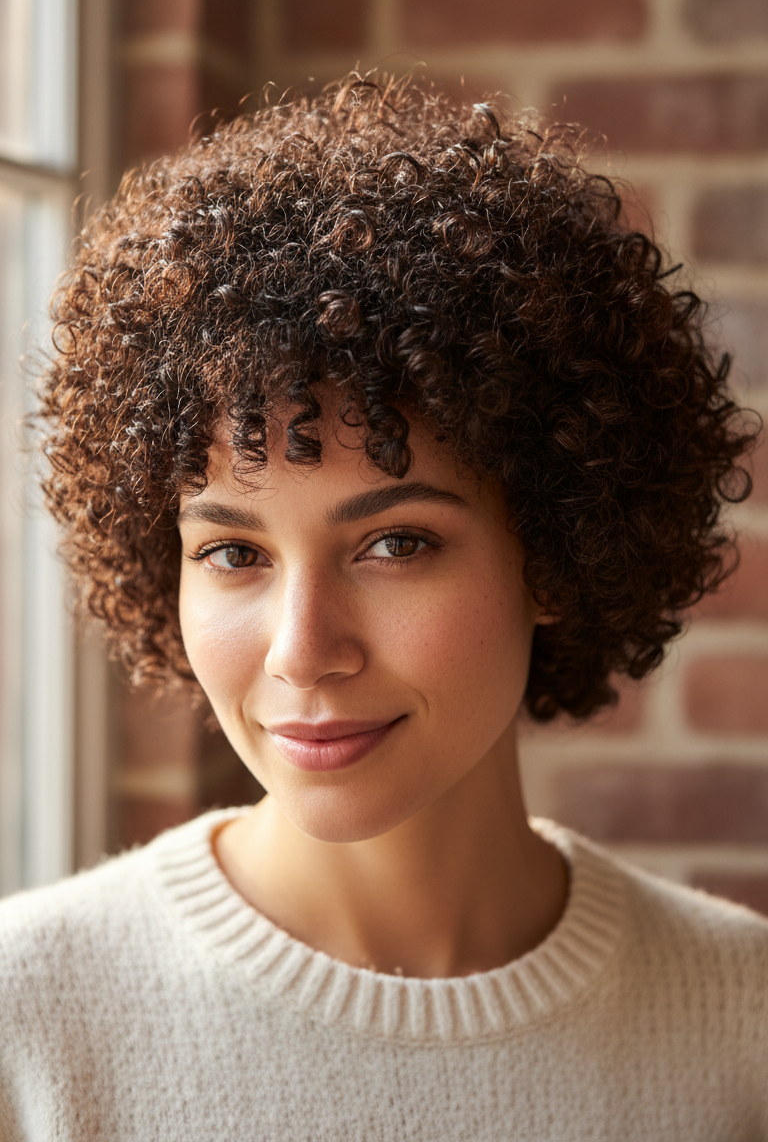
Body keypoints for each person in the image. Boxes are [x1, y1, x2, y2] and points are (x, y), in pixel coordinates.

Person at [0, 73, 766, 1140]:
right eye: (232, 553)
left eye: (395, 545)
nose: (302, 652)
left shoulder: (742, 1028)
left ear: (553, 548)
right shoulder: (25, 1023)